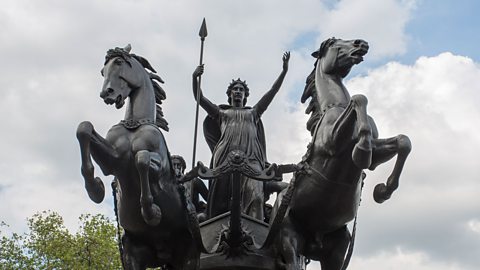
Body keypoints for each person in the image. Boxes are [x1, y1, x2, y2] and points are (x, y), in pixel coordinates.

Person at [192, 52, 290, 220]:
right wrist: (194, 78)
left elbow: (272, 92)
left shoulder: (254, 113)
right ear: (229, 94)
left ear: (245, 95)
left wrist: (284, 71)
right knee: (219, 203)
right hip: (224, 158)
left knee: (256, 198)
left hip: (251, 159)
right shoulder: (221, 113)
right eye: (235, 89)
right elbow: (200, 99)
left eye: (241, 90)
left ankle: (255, 235)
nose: (238, 92)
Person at [171, 154, 208, 219]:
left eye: (178, 165)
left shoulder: (193, 181)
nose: (176, 167)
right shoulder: (167, 186)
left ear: (182, 167)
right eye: (173, 165)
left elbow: (209, 198)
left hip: (195, 217)